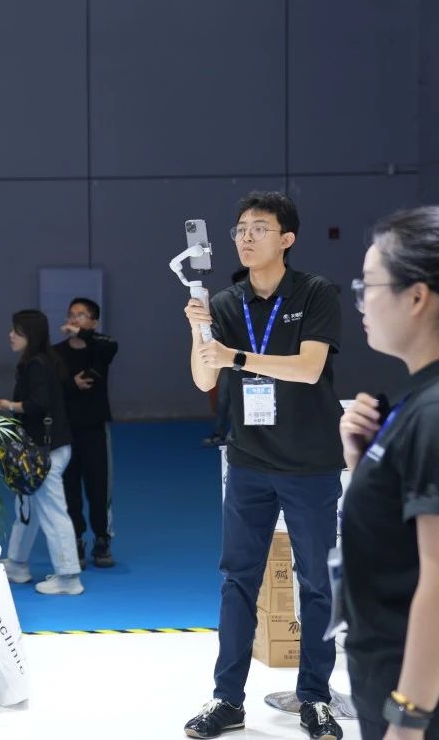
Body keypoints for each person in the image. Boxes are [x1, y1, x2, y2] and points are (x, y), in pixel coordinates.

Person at [182, 192, 344, 740]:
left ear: (287, 239)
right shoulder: (226, 302)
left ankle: (315, 698)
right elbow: (205, 379)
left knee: (316, 583)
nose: (246, 237)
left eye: (259, 228)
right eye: (240, 230)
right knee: (237, 581)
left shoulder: (315, 293)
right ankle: (226, 699)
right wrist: (200, 331)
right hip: (249, 462)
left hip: (311, 464)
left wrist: (237, 357)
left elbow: (309, 368)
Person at [338, 206, 439, 740]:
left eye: (369, 285)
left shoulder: (432, 412)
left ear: (416, 297)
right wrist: (363, 463)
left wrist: (408, 716)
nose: (361, 302)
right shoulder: (414, 401)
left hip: (414, 696)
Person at [0, 309, 81, 596]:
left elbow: (37, 404)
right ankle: (17, 564)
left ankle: (69, 576)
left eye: (16, 331)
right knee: (27, 507)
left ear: (29, 335)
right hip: (46, 448)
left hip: (45, 451)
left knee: (53, 512)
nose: (10, 335)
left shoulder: (35, 365)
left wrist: (7, 405)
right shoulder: (45, 360)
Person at [54, 297, 119, 569]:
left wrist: (82, 334)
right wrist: (72, 384)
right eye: (71, 314)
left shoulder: (102, 347)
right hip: (66, 430)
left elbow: (109, 345)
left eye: (81, 315)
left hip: (94, 428)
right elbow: (52, 388)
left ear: (94, 322)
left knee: (99, 487)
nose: (74, 318)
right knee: (69, 487)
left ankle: (102, 538)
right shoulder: (55, 353)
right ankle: (76, 539)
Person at [205, 269, 253, 448]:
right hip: (229, 363)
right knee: (223, 400)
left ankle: (243, 437)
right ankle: (219, 433)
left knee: (249, 402)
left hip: (255, 364)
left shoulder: (262, 307)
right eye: (240, 284)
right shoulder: (227, 306)